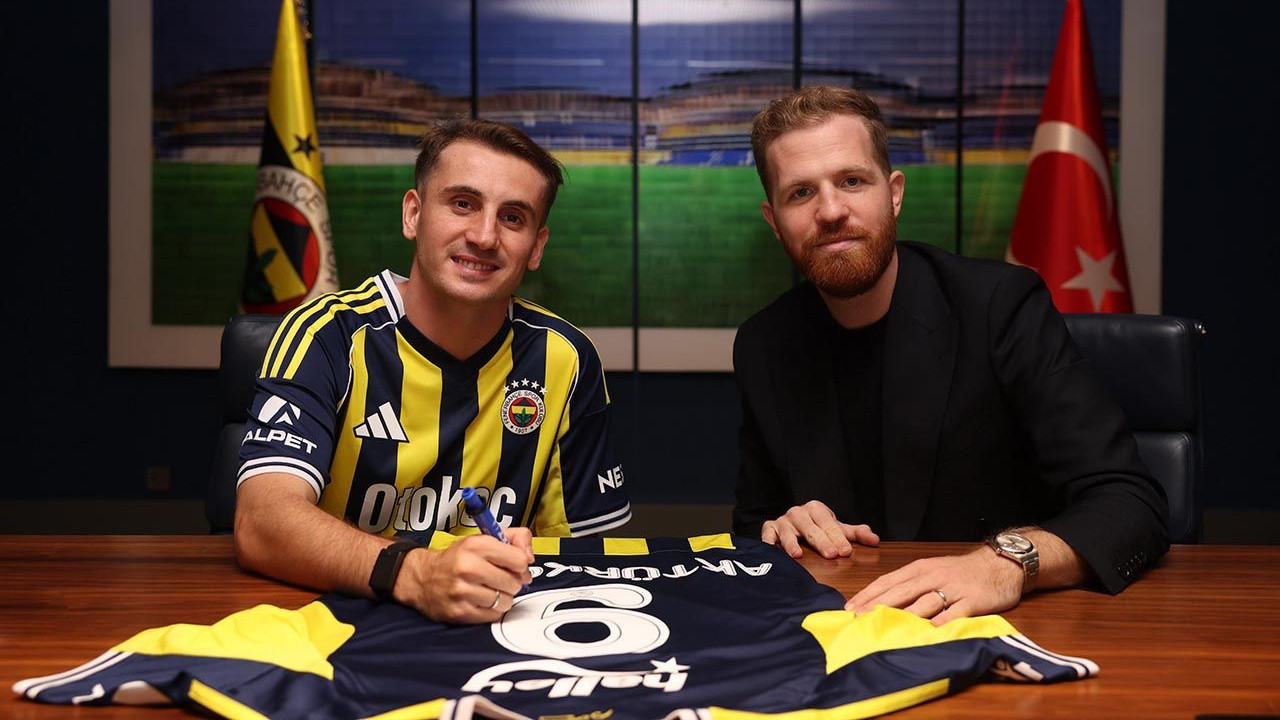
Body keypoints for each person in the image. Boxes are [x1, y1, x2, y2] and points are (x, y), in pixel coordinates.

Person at [733, 86, 1168, 624]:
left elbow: (1131, 501)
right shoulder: (764, 344)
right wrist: (781, 528)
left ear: (894, 194)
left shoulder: (1000, 306)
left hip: (1010, 625)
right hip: (846, 627)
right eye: (801, 193)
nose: (831, 211)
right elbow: (752, 528)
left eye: (852, 181)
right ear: (774, 221)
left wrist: (1004, 564)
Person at [235, 119, 631, 624]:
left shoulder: (567, 359)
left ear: (536, 246)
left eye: (513, 217)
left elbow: (587, 558)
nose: (484, 236)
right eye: (463, 204)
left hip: (493, 628)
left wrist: (528, 559)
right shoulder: (326, 335)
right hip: (328, 622)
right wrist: (418, 574)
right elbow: (261, 522)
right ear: (414, 214)